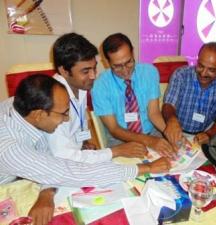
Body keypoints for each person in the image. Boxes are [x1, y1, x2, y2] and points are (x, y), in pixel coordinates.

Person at [0, 75, 170, 225]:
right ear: (39, 115)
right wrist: (146, 168)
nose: (66, 120)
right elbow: (76, 172)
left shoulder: (20, 107)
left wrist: (47, 191)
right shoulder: (11, 148)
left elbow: (48, 159)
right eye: (63, 113)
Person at [48, 32, 147, 163]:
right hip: (59, 165)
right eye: (85, 71)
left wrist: (83, 143)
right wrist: (117, 151)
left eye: (94, 68)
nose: (93, 76)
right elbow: (64, 158)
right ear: (64, 71)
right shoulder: (52, 101)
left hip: (76, 155)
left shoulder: (80, 87)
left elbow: (76, 128)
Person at [91, 33, 175, 158]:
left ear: (133, 53)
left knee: (172, 158)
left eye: (128, 62)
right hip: (121, 138)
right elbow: (114, 129)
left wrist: (169, 134)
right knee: (133, 172)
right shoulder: (100, 86)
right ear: (107, 62)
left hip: (151, 132)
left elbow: (154, 113)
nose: (125, 70)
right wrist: (149, 141)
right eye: (117, 66)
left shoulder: (149, 72)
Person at [162, 42, 216, 148]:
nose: (203, 73)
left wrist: (209, 134)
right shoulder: (181, 74)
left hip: (205, 131)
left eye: (211, 70)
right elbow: (168, 105)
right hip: (175, 130)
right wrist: (172, 120)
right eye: (200, 66)